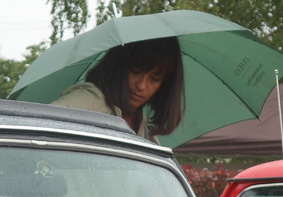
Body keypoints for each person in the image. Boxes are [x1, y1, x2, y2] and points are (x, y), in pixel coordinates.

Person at [51, 37, 184, 141]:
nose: (141, 85)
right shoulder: (91, 100)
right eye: (135, 71)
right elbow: (43, 123)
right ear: (118, 67)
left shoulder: (147, 134)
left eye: (154, 79)